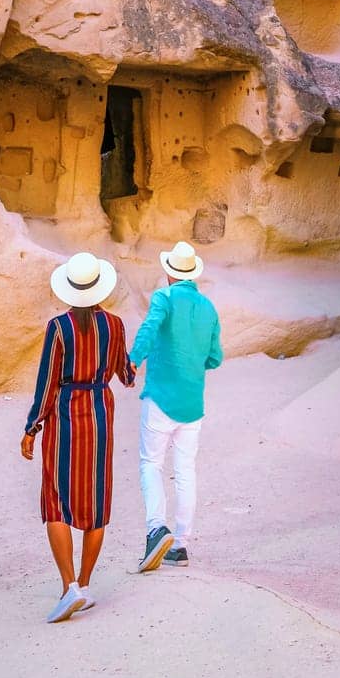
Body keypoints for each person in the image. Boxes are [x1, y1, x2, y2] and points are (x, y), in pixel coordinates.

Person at [21, 251, 136, 623]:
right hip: (101, 413)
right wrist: (131, 363)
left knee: (56, 499)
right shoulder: (116, 325)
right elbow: (127, 375)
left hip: (66, 415)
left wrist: (31, 427)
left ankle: (68, 586)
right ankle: (84, 586)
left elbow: (47, 382)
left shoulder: (59, 328)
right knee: (96, 499)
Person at [129, 239, 222, 572]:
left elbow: (149, 329)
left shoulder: (163, 298)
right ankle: (180, 546)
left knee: (150, 464)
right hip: (192, 404)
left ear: (169, 272)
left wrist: (133, 360)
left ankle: (156, 529)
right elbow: (215, 357)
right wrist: (192, 362)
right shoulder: (208, 308)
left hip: (160, 398)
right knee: (185, 472)